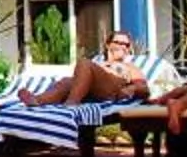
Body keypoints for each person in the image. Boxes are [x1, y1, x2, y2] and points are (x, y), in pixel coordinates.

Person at [20, 28, 153, 105]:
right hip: (89, 92)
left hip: (112, 92)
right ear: (108, 45)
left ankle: (71, 104)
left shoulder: (130, 67)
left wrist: (131, 88)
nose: (123, 47)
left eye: (127, 45)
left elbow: (144, 88)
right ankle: (37, 100)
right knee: (67, 81)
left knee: (84, 63)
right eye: (118, 42)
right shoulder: (98, 63)